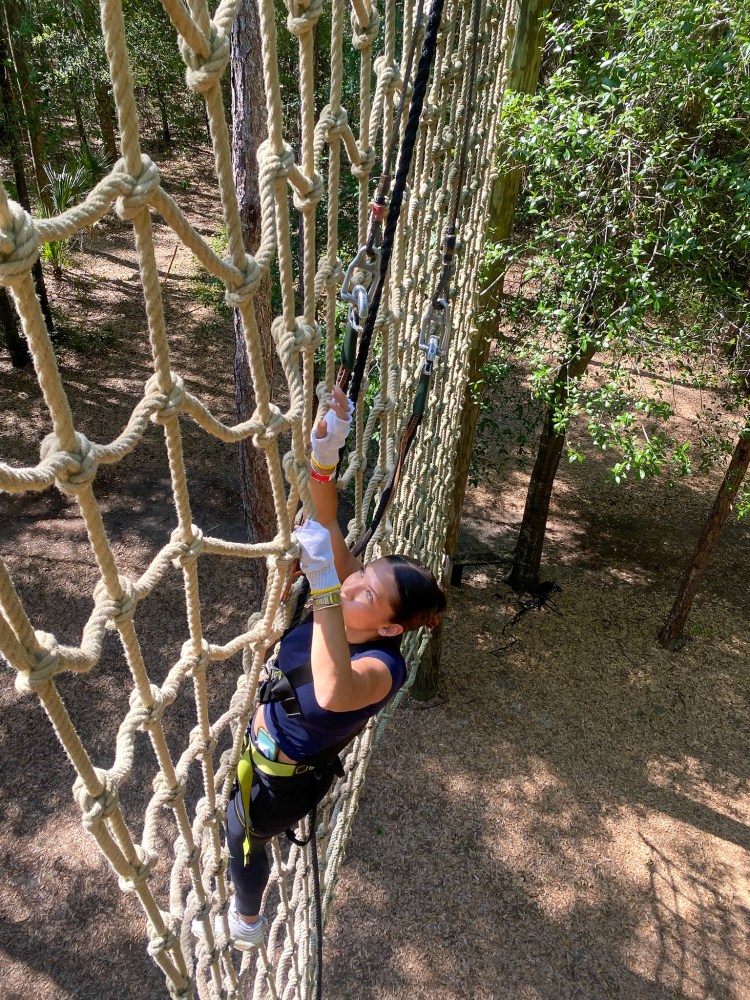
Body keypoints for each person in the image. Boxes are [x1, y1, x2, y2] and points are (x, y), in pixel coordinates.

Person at [198, 386, 446, 950]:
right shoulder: (357, 594)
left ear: (389, 627)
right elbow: (325, 512)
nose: (354, 580)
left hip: (279, 781)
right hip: (267, 736)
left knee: (242, 836)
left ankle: (247, 922)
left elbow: (334, 691)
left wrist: (327, 589)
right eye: (361, 573)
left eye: (366, 591)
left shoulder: (383, 667)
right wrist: (326, 453)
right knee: (240, 829)